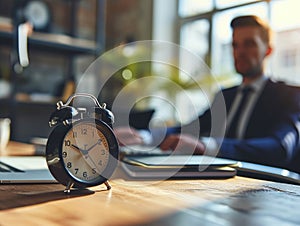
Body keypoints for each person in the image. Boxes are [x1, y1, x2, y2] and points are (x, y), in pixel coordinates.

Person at [115, 15, 300, 172]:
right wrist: (144, 136)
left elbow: (280, 148)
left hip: (264, 187)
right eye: (235, 45)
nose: (240, 52)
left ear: (268, 50)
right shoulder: (226, 96)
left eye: (249, 44)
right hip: (217, 180)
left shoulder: (289, 95)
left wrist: (206, 146)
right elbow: (191, 127)